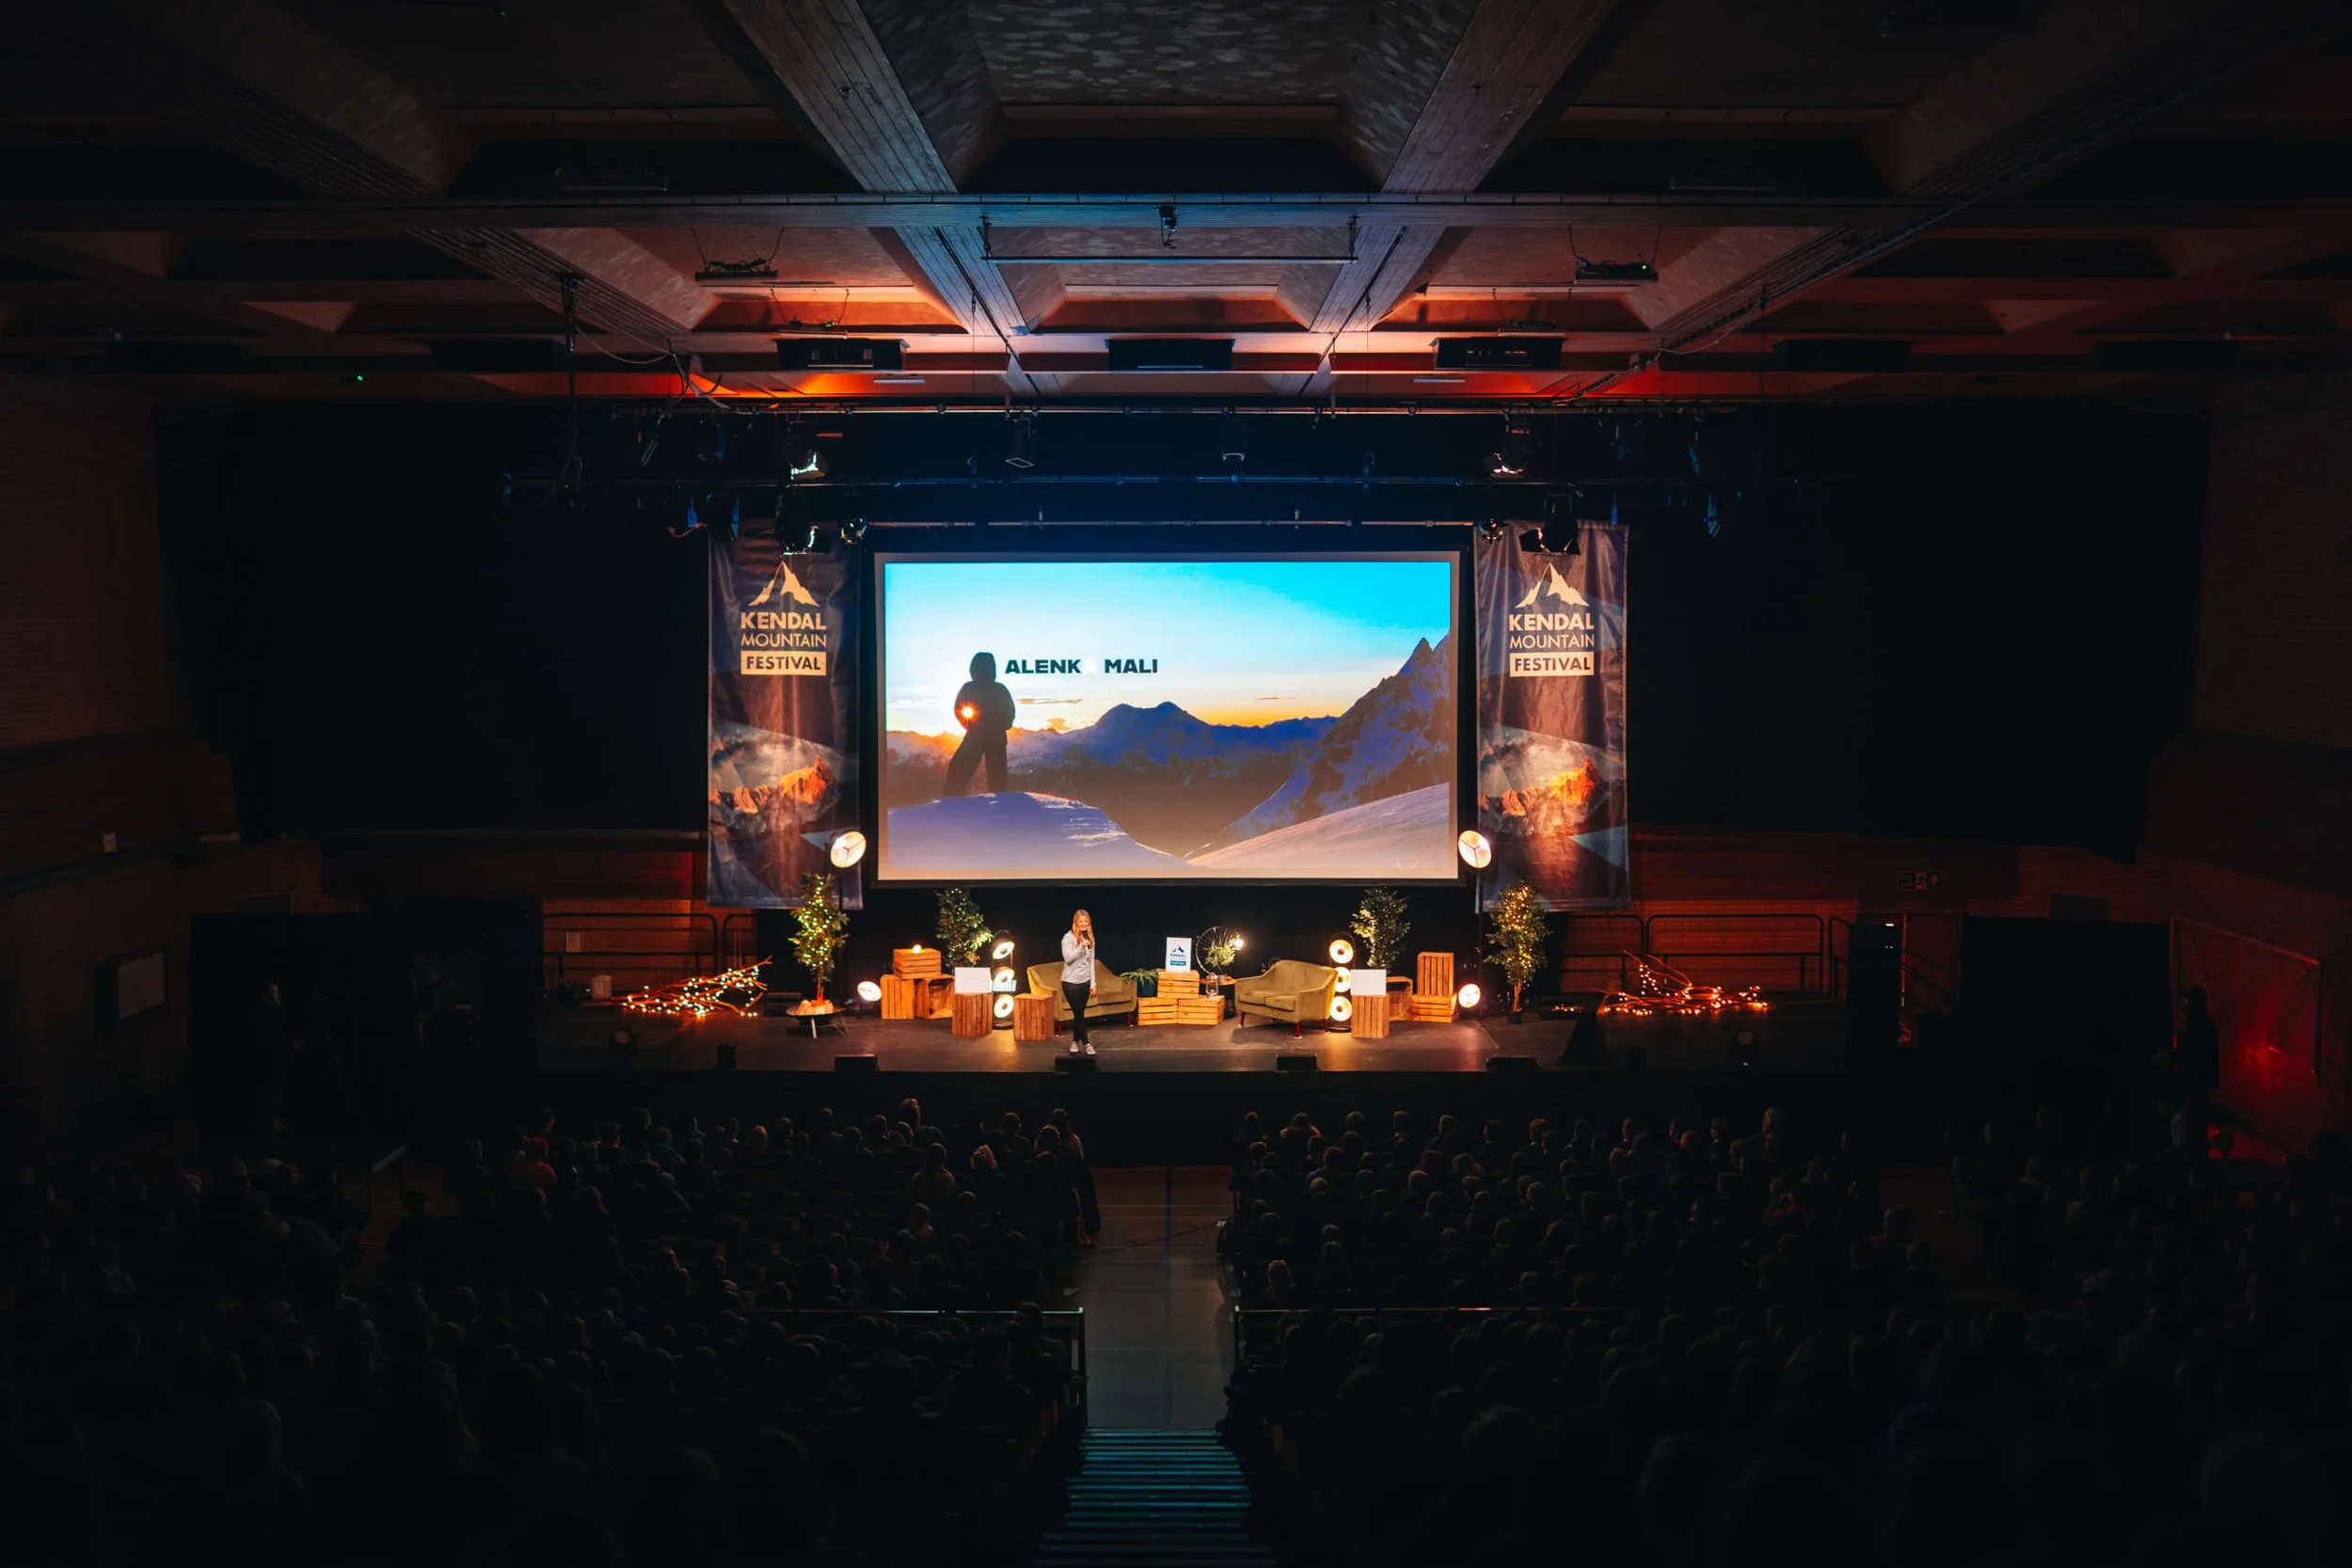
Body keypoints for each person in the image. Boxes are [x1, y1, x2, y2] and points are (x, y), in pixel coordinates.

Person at [942, 650, 1016, 797]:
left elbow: (959, 709)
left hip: (977, 736)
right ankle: (1000, 808)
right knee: (997, 779)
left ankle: (952, 805)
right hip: (994, 738)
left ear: (973, 669)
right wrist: (1000, 726)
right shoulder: (1000, 689)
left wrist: (971, 726)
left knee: (958, 771)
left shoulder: (970, 687)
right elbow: (1010, 713)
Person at [2178, 986, 2220, 1159]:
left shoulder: (2198, 1026)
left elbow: (2192, 1054)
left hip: (2195, 1080)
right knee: (2196, 1120)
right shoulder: (2204, 1023)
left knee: (2193, 1121)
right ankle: (2197, 1157)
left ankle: (2195, 1158)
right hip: (2199, 1080)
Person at [1061, 910, 1098, 1058]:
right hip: (1070, 982)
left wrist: (1093, 983)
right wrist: (1080, 946)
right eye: (1081, 921)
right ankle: (1087, 1044)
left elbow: (1091, 963)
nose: (1083, 924)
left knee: (1079, 1015)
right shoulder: (1068, 938)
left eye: (1086, 921)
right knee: (1079, 1014)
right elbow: (1068, 958)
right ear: (1075, 923)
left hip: (1085, 982)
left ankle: (1075, 1042)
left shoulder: (1090, 938)